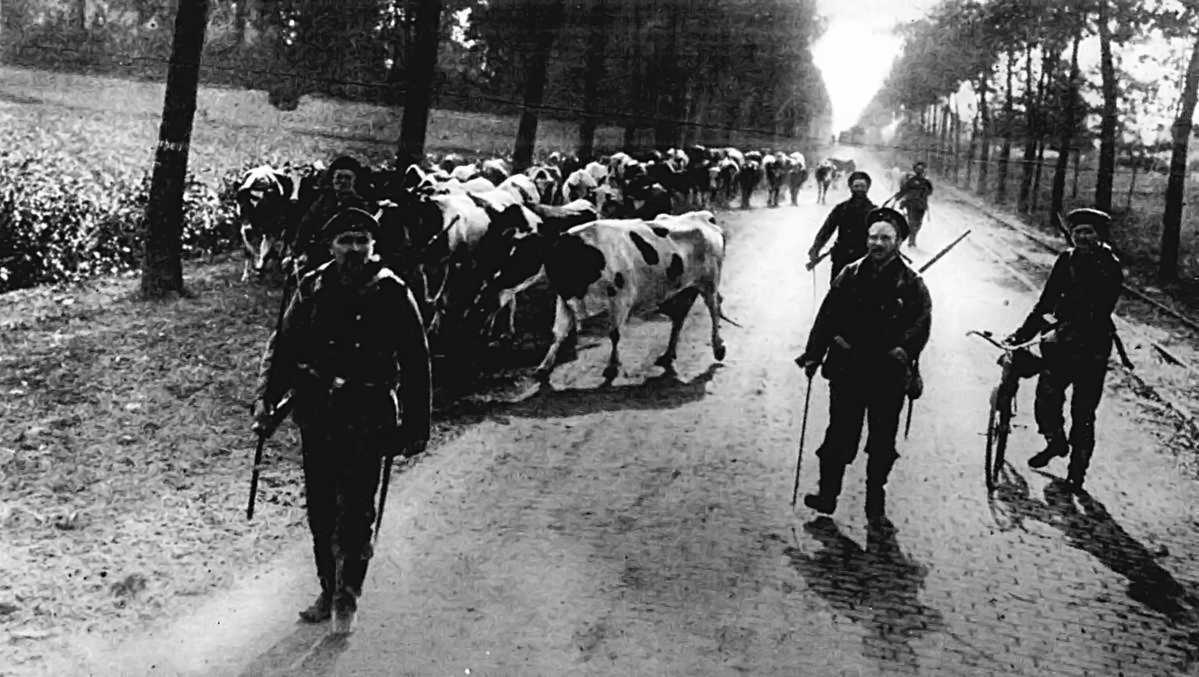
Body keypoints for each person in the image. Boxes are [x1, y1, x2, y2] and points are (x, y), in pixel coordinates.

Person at [253, 207, 432, 635]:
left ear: (373, 246)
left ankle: (347, 598)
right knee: (320, 510)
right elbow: (286, 346)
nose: (353, 249)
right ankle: (327, 588)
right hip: (319, 412)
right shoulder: (312, 287)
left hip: (368, 414)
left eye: (361, 240)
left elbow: (415, 361)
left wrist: (415, 427)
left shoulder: (392, 291)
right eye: (345, 241)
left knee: (355, 511)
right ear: (331, 246)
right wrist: (266, 401)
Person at [795, 207, 932, 526]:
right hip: (848, 368)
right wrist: (814, 353)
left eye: (885, 238)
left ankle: (875, 499)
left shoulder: (912, 283)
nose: (877, 243)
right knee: (839, 433)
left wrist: (903, 349)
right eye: (873, 237)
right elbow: (827, 316)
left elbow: (922, 322)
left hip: (888, 373)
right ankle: (827, 495)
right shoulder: (850, 274)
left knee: (882, 440)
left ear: (898, 241)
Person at [1005, 207, 1123, 493]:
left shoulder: (1109, 264)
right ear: (1071, 235)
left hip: (1092, 347)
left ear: (1099, 235)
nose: (1082, 237)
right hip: (1060, 346)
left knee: (1083, 412)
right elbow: (1046, 303)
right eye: (1077, 231)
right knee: (1046, 398)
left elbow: (1100, 309)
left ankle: (1077, 473)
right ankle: (1055, 442)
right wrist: (1021, 335)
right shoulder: (1066, 259)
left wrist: (1064, 329)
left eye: (1088, 232)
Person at [287, 155, 374, 276]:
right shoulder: (323, 200)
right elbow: (307, 224)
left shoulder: (360, 204)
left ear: (354, 181)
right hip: (321, 251)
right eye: (339, 177)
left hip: (349, 254)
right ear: (332, 180)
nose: (342, 181)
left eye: (347, 178)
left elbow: (367, 232)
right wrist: (296, 252)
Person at [807, 170, 877, 282]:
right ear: (851, 187)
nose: (859, 189)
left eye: (862, 186)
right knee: (837, 293)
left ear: (868, 188)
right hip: (841, 257)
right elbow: (827, 230)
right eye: (856, 186)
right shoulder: (841, 209)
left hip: (864, 259)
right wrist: (816, 248)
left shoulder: (874, 211)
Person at [894, 162, 933, 248]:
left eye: (921, 169)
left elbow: (930, 192)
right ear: (915, 170)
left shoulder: (926, 182)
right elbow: (904, 190)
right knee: (912, 222)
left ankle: (913, 237)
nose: (919, 171)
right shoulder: (911, 181)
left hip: (921, 205)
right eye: (918, 169)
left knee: (918, 224)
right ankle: (911, 241)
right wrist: (898, 196)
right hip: (911, 204)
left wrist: (922, 193)